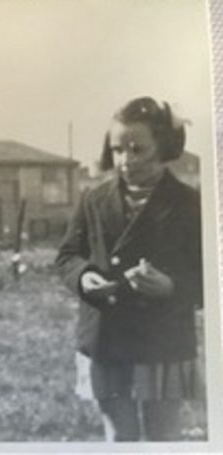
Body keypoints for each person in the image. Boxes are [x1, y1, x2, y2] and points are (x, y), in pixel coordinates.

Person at [56, 97, 203, 441]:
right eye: (118, 149)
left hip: (162, 338)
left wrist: (170, 286)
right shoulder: (94, 198)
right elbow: (67, 255)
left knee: (164, 435)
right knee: (119, 436)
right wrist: (83, 276)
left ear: (164, 146)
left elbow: (209, 275)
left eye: (138, 149)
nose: (126, 160)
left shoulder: (188, 203)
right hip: (108, 336)